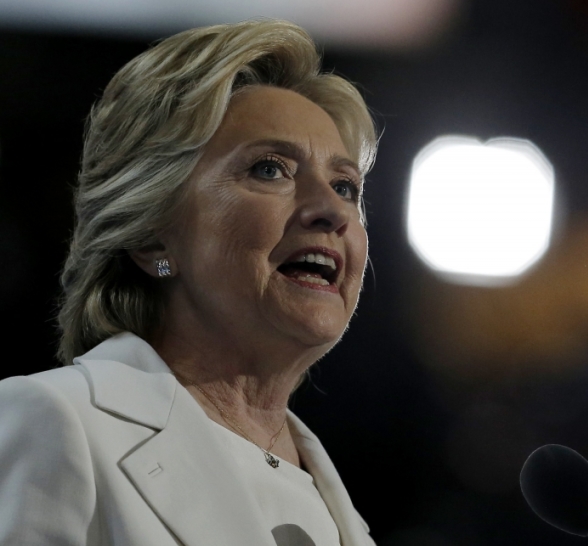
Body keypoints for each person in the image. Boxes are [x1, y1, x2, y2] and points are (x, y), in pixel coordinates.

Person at [0, 19, 378, 546]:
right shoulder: (55, 422)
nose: (332, 211)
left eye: (345, 186)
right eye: (270, 169)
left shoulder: (339, 510)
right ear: (153, 239)